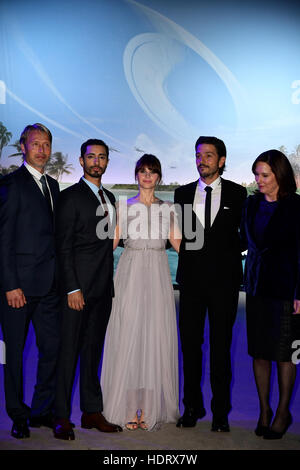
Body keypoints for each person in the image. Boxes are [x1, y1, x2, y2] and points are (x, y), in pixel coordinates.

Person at [101, 154, 180, 431]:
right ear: (136, 175)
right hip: (130, 272)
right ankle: (125, 408)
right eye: (143, 171)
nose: (147, 176)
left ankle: (147, 408)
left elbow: (181, 245)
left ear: (159, 176)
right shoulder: (123, 207)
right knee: (128, 335)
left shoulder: (169, 208)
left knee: (153, 336)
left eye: (152, 171)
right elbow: (108, 246)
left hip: (158, 273)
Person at [175, 136, 247, 432]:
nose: (202, 159)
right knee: (190, 348)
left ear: (221, 161)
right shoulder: (182, 194)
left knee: (221, 348)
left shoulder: (238, 194)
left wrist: (226, 254)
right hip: (190, 285)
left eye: (208, 155)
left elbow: (246, 236)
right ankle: (191, 407)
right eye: (198, 155)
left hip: (224, 285)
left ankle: (220, 412)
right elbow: (180, 234)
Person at [53, 138, 122, 440]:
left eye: (102, 157)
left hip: (102, 290)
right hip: (77, 293)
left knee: (93, 353)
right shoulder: (70, 198)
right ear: (81, 161)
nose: (96, 161)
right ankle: (61, 417)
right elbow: (63, 247)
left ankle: (91, 411)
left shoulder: (110, 198)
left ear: (107, 162)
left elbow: (106, 247)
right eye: (91, 157)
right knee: (68, 354)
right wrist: (72, 288)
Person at [0, 123, 60, 439]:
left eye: (46, 143)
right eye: (35, 143)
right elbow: (3, 239)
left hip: (48, 287)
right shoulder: (10, 184)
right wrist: (10, 285)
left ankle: (40, 410)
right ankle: (18, 414)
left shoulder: (53, 184)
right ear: (23, 147)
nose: (41, 149)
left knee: (52, 348)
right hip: (18, 290)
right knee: (14, 354)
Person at [241, 149, 300, 439]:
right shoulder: (250, 205)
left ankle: (283, 411)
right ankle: (264, 409)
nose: (258, 180)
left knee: (286, 354)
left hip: (286, 290)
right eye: (256, 174)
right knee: (260, 352)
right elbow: (240, 241)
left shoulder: (296, 207)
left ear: (280, 175)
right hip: (255, 287)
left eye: (264, 175)